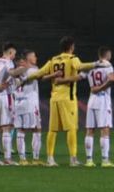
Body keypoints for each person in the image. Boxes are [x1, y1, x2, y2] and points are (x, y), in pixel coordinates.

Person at [24, 36, 102, 167]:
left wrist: (25, 79)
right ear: (71, 47)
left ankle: (50, 158)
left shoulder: (53, 60)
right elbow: (80, 66)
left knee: (52, 130)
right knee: (71, 128)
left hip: (54, 98)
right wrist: (95, 64)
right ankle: (73, 159)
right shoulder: (72, 59)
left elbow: (39, 73)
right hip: (68, 98)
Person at [82, 48, 114, 167]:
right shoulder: (108, 66)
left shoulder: (91, 66)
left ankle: (89, 160)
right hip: (102, 99)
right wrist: (103, 86)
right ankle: (105, 160)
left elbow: (80, 76)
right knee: (105, 129)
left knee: (90, 130)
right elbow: (112, 79)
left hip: (91, 100)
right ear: (107, 55)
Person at [10, 51, 43, 165]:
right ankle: (35, 158)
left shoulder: (14, 72)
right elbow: (42, 76)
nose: (36, 57)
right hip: (30, 103)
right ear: (26, 59)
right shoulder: (32, 69)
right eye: (34, 56)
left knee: (20, 130)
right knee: (37, 129)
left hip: (18, 102)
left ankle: (22, 159)